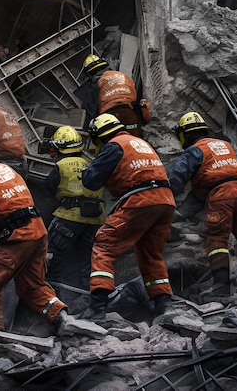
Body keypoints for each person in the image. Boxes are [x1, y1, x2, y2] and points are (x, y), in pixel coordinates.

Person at [81, 113, 175, 319]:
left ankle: (97, 307)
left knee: (104, 245)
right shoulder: (140, 142)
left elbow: (91, 181)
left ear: (99, 136)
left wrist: (88, 169)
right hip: (165, 199)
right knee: (151, 253)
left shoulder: (114, 145)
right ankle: (163, 304)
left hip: (140, 199)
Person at [0, 160, 69, 333]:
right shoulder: (5, 171)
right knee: (32, 286)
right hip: (38, 232)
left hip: (18, 236)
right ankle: (61, 317)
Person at [168, 112, 237, 302]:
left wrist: (165, 197)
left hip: (220, 196)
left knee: (217, 239)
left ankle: (220, 286)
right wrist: (181, 214)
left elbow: (178, 178)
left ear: (185, 134)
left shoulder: (195, 150)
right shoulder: (227, 145)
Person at [44, 125, 104, 292]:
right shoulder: (91, 163)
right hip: (95, 219)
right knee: (87, 260)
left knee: (51, 254)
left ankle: (48, 292)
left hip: (68, 217)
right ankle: (86, 293)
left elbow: (49, 190)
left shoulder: (61, 165)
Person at [81, 54, 152, 137]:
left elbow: (91, 109)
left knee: (113, 142)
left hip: (110, 117)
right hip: (129, 113)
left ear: (89, 74)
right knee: (134, 139)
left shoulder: (95, 85)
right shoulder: (124, 77)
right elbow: (137, 98)